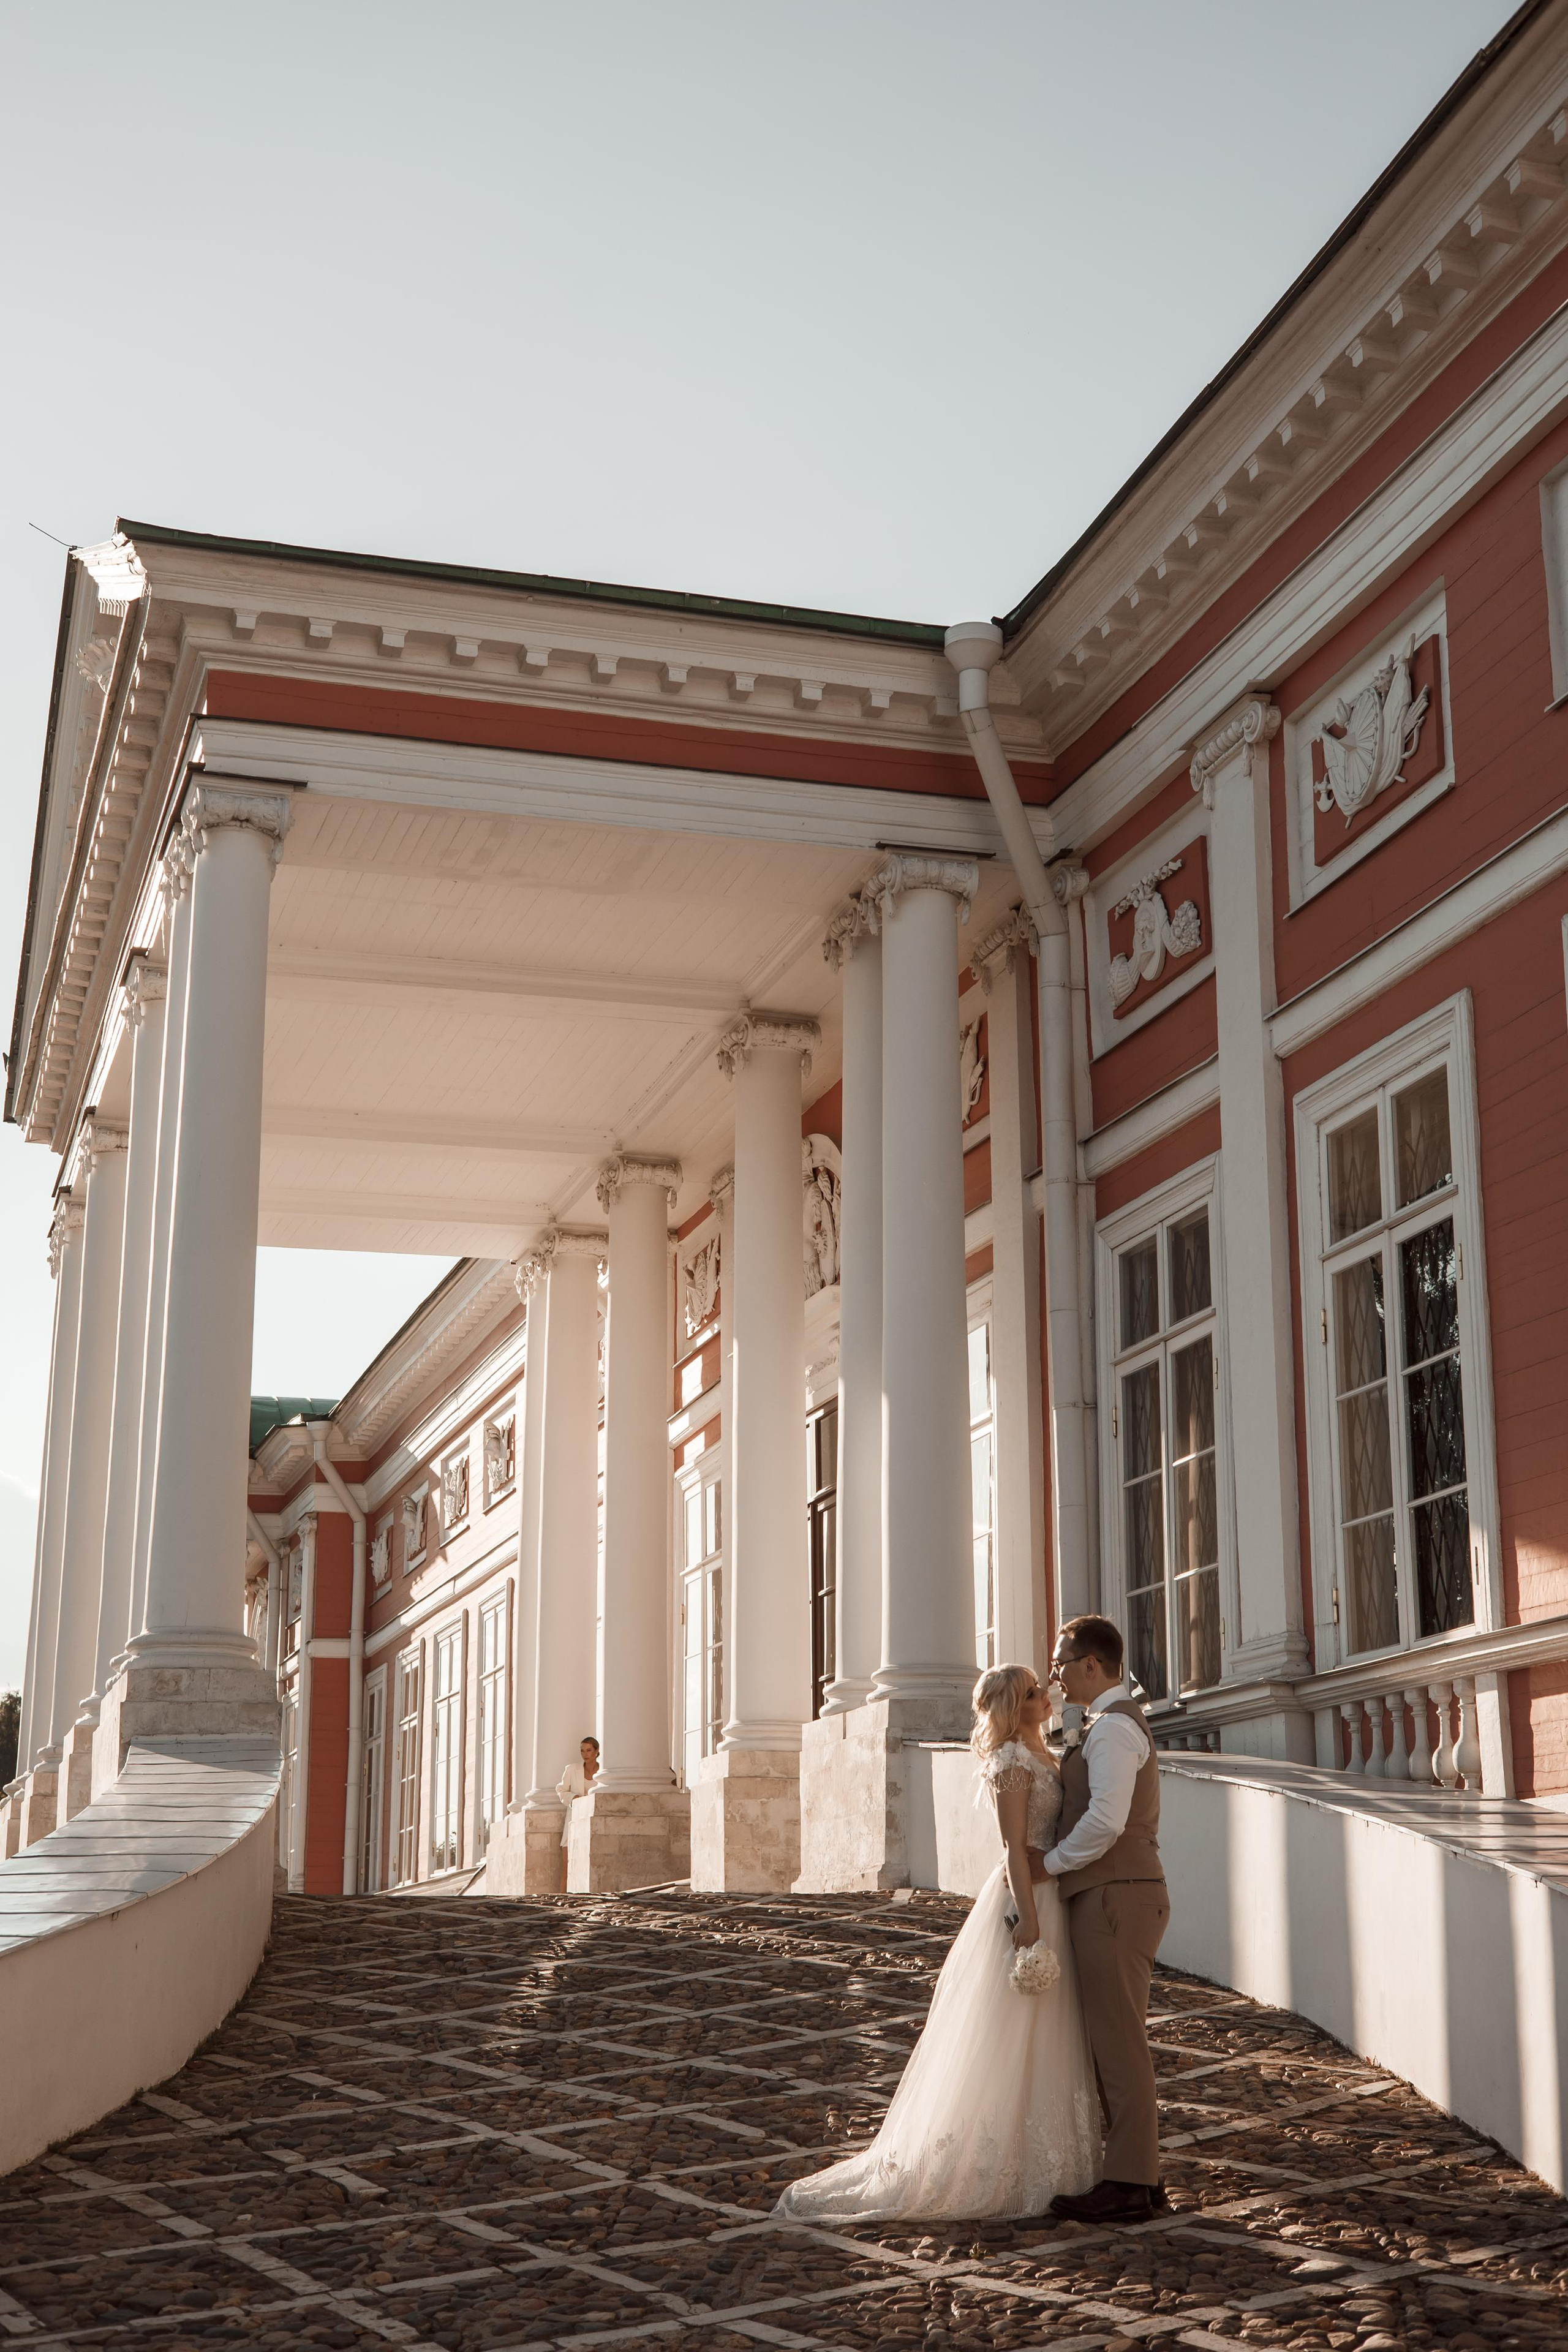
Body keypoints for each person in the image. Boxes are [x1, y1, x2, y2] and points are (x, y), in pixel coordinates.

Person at [772, 1663, 1101, 2222]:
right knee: (1008, 2032)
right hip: (1028, 1901)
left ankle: (1050, 2161)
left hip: (1054, 1898)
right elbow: (1014, 1849)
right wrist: (1029, 1920)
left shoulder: (1046, 1754)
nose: (1045, 1696)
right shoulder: (1011, 1764)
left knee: (1050, 2028)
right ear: (1009, 1708)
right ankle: (989, 2162)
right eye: (1031, 1693)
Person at [1036, 1613, 1170, 2224]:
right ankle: (1137, 2176)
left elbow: (1106, 1821)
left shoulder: (1114, 1730)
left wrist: (1053, 1865)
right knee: (1113, 2041)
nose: (1055, 1675)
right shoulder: (1097, 1725)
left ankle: (1130, 2182)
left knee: (1118, 2045)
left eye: (1061, 1663)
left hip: (1117, 1893)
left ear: (1092, 1664)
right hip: (1113, 1891)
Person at [556, 1734, 599, 1893]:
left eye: (589, 1750)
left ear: (596, 1751)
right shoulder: (572, 1769)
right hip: (574, 1819)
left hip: (594, 1822)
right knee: (567, 1864)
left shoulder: (604, 1772)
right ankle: (561, 1898)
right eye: (582, 1751)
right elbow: (561, 1790)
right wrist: (573, 1798)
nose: (585, 1754)